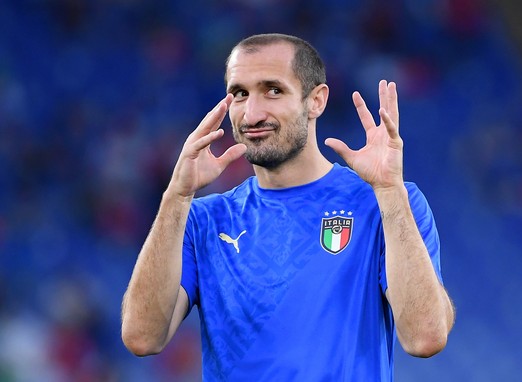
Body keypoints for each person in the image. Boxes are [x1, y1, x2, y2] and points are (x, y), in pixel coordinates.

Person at [121, 33, 455, 381]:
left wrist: (389, 191)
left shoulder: (384, 203)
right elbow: (142, 338)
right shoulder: (203, 220)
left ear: (316, 101)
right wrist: (175, 197)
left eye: (273, 90)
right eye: (239, 94)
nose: (251, 113)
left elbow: (425, 337)